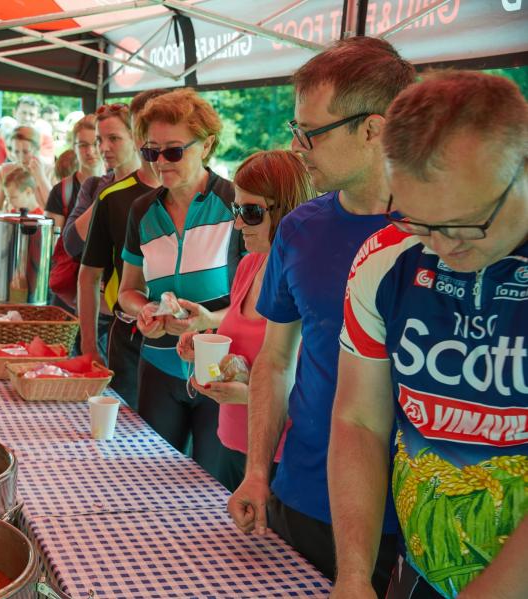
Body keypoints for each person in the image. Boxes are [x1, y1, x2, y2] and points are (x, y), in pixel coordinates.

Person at [226, 36, 415, 593]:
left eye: (311, 132)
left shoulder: (444, 235)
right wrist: (257, 470)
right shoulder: (299, 228)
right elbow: (275, 359)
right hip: (302, 494)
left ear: (373, 129)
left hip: (413, 516)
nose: (297, 145)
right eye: (296, 128)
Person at [330, 71, 527, 599]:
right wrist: (354, 574)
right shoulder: (387, 257)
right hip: (419, 570)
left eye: (465, 223)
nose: (441, 247)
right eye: (419, 221)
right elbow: (359, 420)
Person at [117, 88, 243, 479]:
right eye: (151, 152)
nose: (160, 162)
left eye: (173, 151)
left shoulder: (235, 203)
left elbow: (258, 303)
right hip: (157, 366)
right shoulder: (142, 210)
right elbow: (127, 291)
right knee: (149, 481)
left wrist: (208, 320)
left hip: (219, 367)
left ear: (206, 145)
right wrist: (145, 309)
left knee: (214, 486)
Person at [175, 150, 315, 491]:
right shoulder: (251, 265)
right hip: (232, 440)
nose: (238, 224)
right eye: (236, 211)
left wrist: (250, 396)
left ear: (288, 210)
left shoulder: (310, 281)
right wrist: (207, 343)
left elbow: (320, 389)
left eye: (251, 212)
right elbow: (247, 345)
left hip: (283, 455)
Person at [78, 91, 165, 409]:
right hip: (128, 334)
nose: (104, 148)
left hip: (188, 336)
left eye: (113, 138)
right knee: (126, 427)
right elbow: (88, 274)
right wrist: (89, 346)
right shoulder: (113, 197)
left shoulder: (208, 193)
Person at [45, 115, 102, 229]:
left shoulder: (117, 184)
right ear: (74, 147)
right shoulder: (61, 192)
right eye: (83, 145)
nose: (90, 151)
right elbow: (52, 238)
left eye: (96, 144)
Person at [0, 126, 53, 215]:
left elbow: (55, 208)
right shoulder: (5, 171)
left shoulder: (49, 171)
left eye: (26, 152)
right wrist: (3, 219)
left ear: (36, 149)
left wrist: (41, 178)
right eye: (16, 152)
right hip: (13, 221)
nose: (21, 158)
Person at [0, 96, 54, 166]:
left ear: (37, 116)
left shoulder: (45, 139)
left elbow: (47, 164)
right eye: (23, 113)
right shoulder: (1, 141)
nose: (27, 118)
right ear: (14, 113)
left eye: (31, 114)